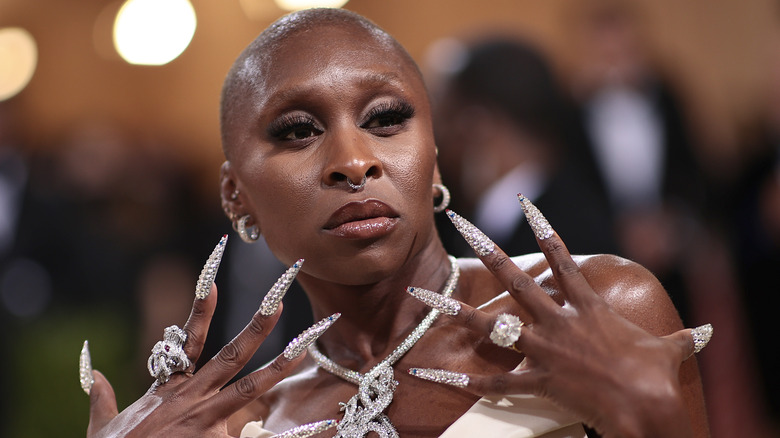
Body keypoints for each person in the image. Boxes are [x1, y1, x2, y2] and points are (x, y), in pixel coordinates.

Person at [80, 8, 711, 438]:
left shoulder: (597, 308)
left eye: (385, 119)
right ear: (235, 193)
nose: (354, 163)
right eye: (298, 131)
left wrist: (659, 420)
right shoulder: (251, 422)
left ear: (434, 159)